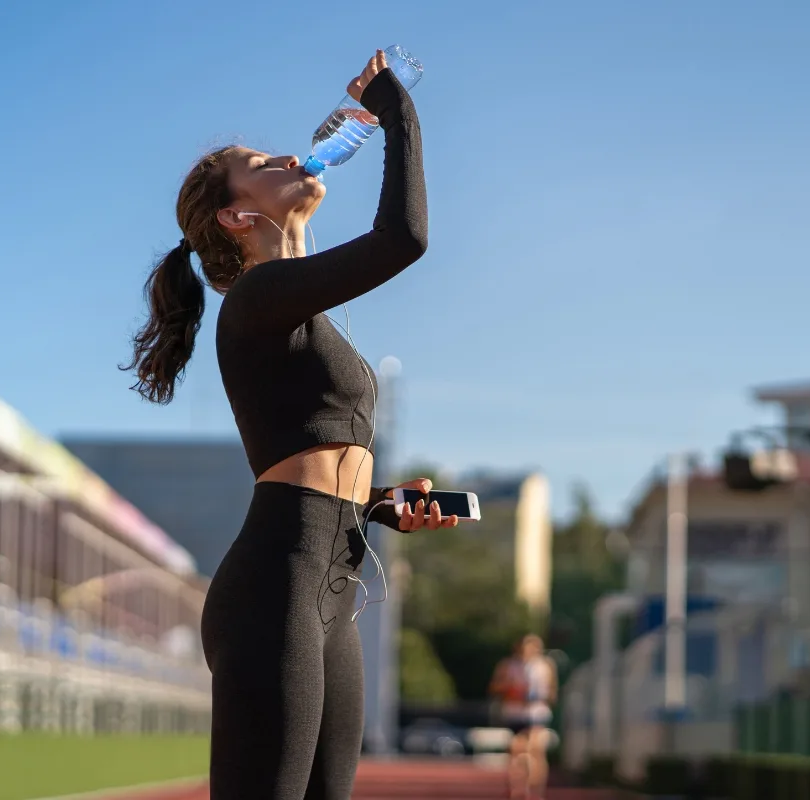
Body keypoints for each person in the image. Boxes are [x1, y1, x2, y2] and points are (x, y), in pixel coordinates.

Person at [124, 50, 457, 799]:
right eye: (261, 163)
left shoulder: (298, 310)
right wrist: (394, 108)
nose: (287, 157)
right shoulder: (257, 297)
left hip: (331, 581)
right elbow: (404, 240)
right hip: (275, 591)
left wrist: (380, 508)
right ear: (239, 217)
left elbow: (307, 452)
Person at [490, 635, 558, 800]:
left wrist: (536, 695)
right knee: (516, 750)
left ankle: (536, 790)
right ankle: (516, 788)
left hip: (536, 714)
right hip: (514, 714)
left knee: (535, 749)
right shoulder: (507, 665)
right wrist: (509, 689)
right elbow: (494, 687)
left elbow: (552, 693)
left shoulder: (545, 666)